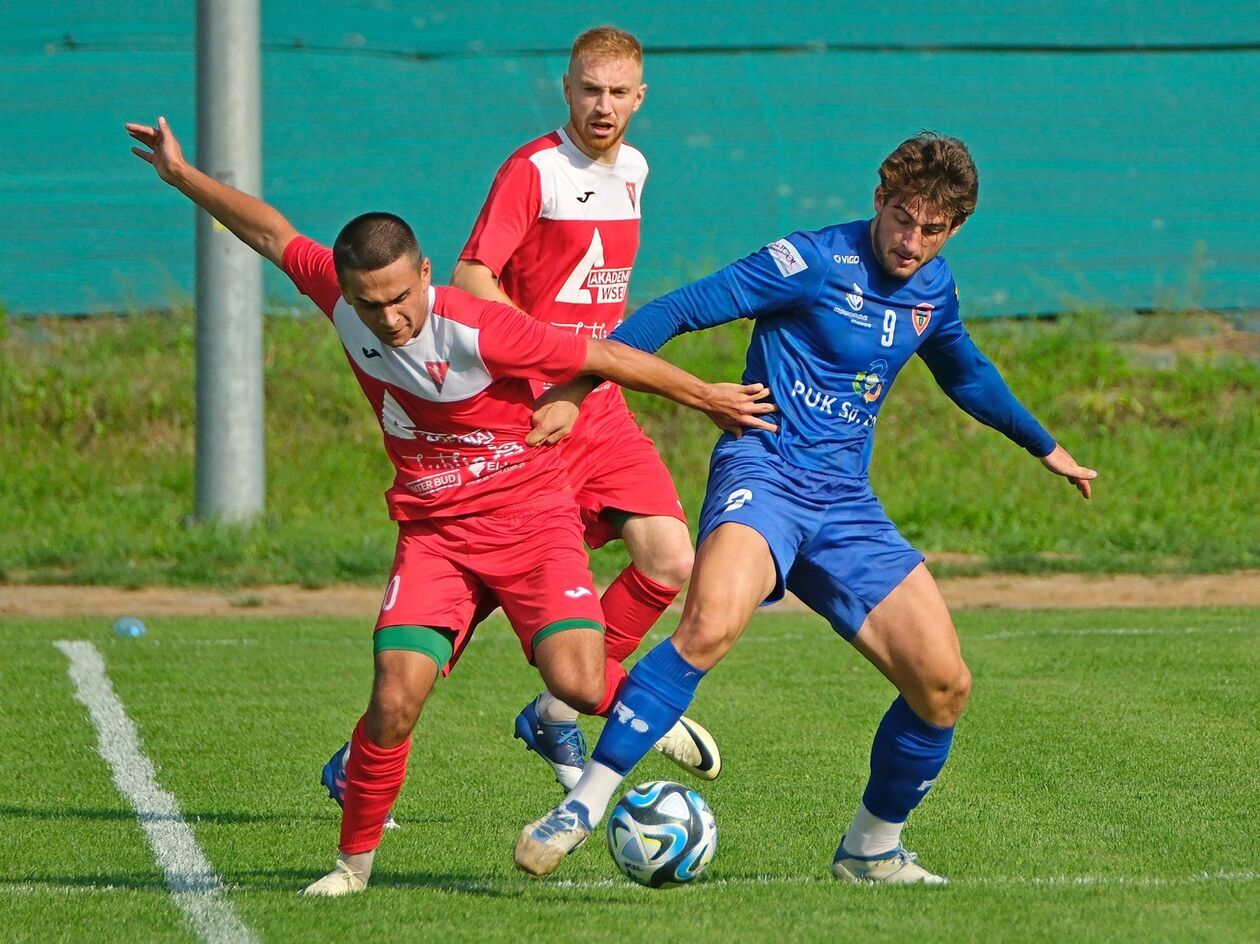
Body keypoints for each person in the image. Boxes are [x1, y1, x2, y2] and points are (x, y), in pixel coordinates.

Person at [124, 116, 775, 896]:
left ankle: (635, 712)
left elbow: (604, 355)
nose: (391, 319)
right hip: (435, 537)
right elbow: (270, 233)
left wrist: (706, 396)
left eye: (401, 298)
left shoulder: (478, 327)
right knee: (394, 697)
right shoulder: (339, 295)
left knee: (575, 679)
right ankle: (351, 868)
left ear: (425, 274)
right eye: (371, 305)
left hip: (534, 523)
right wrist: (182, 175)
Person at [514, 132, 1097, 885]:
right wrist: (577, 387)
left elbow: (967, 372)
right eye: (902, 219)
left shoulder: (933, 289)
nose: (911, 241)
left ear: (953, 230)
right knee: (710, 624)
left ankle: (870, 851)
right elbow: (679, 309)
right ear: (879, 200)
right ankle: (583, 806)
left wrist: (1043, 445)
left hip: (845, 503)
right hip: (766, 473)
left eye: (933, 230)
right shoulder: (812, 260)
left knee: (943, 685)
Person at [455, 25, 719, 789]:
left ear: (640, 97)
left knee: (671, 557)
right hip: (531, 413)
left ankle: (557, 715)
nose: (602, 106)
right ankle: (361, 755)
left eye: (617, 93)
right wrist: (543, 364)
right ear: (566, 89)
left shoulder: (635, 167)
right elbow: (474, 277)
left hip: (596, 404)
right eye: (589, 90)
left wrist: (586, 374)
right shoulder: (532, 170)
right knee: (474, 598)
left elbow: (598, 291)